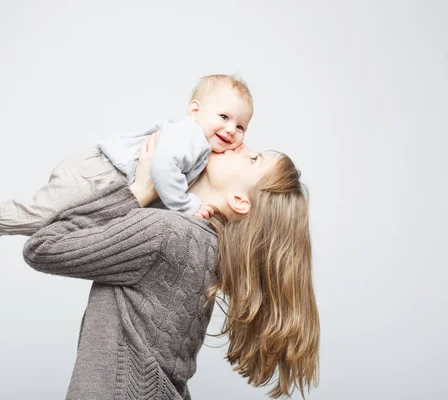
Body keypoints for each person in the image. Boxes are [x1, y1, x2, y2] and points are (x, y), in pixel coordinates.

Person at [23, 134, 320, 399]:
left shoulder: (168, 234)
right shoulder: (206, 245)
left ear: (240, 200)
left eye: (253, 158)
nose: (240, 144)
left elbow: (43, 246)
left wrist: (139, 190)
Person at [0, 74, 253, 262]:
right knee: (43, 216)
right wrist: (186, 205)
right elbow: (161, 168)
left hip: (107, 179)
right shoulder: (192, 137)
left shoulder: (200, 142)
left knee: (61, 224)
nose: (231, 130)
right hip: (98, 173)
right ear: (195, 111)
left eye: (240, 126)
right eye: (224, 117)